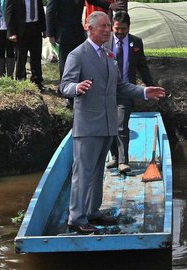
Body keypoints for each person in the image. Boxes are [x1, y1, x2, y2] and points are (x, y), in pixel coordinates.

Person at [60, 11, 166, 234]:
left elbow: (121, 87)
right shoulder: (77, 55)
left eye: (109, 26)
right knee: (83, 172)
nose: (108, 30)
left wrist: (145, 91)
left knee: (98, 171)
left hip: (108, 124)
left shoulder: (108, 56)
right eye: (103, 26)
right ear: (89, 28)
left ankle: (92, 211)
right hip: (88, 125)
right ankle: (76, 218)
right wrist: (76, 89)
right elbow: (65, 85)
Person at [46, 0, 123, 108]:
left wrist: (110, 5)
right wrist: (50, 34)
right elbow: (50, 11)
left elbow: (92, 0)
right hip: (64, 33)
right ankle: (68, 96)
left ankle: (82, 90)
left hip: (77, 32)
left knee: (82, 62)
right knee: (65, 64)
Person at [105, 11, 154, 173]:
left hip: (126, 90)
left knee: (121, 125)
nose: (119, 33)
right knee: (109, 124)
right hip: (106, 91)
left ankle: (123, 161)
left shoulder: (136, 43)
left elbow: (142, 66)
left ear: (129, 27)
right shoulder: (105, 42)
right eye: (117, 29)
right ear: (113, 26)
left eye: (123, 29)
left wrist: (150, 86)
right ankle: (114, 157)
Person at [5, 0, 46, 91]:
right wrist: (11, 32)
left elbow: (40, 10)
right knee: (21, 57)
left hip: (36, 28)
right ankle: (21, 81)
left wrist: (44, 28)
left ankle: (37, 81)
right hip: (21, 30)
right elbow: (8, 13)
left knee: (36, 56)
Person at [0, 0, 15, 78]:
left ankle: (10, 76)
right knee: (0, 50)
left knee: (10, 50)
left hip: (10, 26)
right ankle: (2, 76)